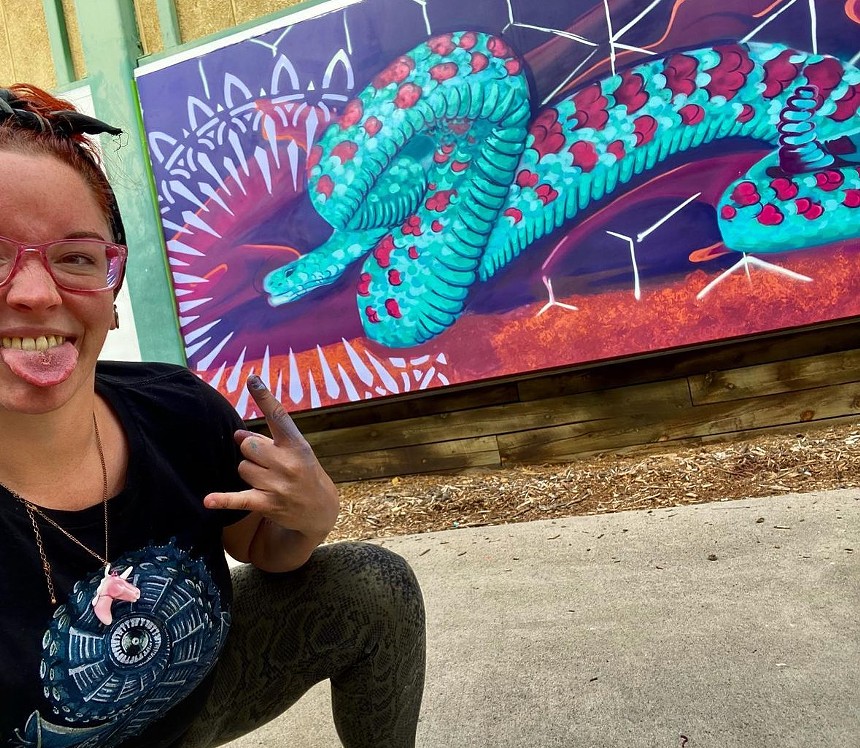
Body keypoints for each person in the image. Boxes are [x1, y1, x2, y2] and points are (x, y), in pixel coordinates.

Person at [0, 84, 425, 748]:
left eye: (77, 258)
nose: (34, 292)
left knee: (373, 585)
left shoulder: (176, 410)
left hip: (191, 705)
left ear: (112, 294)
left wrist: (305, 519)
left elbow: (261, 550)